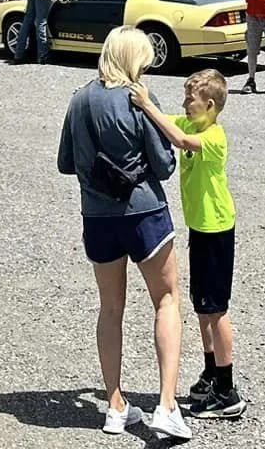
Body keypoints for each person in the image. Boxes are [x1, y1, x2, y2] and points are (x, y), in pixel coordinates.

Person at [57, 28, 189, 440]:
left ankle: (114, 405)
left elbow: (65, 162)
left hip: (97, 217)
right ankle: (166, 405)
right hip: (145, 212)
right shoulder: (138, 98)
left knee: (110, 308)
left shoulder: (79, 99)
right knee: (165, 300)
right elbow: (165, 165)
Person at [131, 69, 247, 421]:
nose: (184, 104)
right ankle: (211, 371)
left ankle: (227, 390)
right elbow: (169, 122)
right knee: (202, 307)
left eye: (190, 100)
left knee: (216, 309)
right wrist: (140, 102)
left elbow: (178, 140)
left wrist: (147, 103)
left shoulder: (213, 136)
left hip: (216, 229)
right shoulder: (193, 123)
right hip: (200, 227)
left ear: (209, 105)